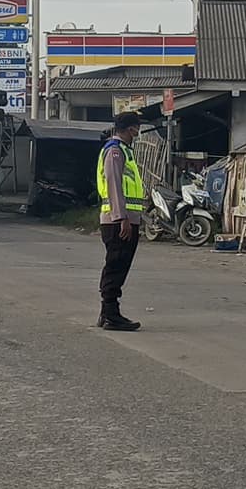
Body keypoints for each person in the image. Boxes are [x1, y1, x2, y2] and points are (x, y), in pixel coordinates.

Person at [95, 111, 148, 330]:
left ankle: (106, 313)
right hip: (118, 221)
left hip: (125, 219)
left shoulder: (124, 150)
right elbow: (114, 185)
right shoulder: (115, 151)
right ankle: (111, 314)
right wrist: (121, 218)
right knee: (116, 266)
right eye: (137, 126)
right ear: (130, 128)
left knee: (119, 265)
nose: (138, 130)